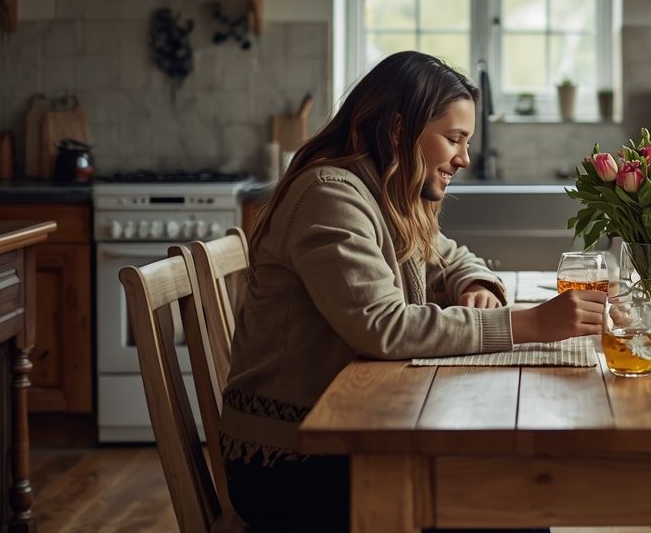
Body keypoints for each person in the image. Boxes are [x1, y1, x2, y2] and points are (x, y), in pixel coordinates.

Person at [220, 52, 604, 532]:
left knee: (513, 493)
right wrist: (528, 324)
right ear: (400, 130)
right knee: (513, 501)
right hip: (286, 462)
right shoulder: (330, 195)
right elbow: (382, 326)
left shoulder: (388, 193)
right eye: (454, 139)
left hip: (348, 434)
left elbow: (451, 255)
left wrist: (476, 282)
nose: (463, 158)